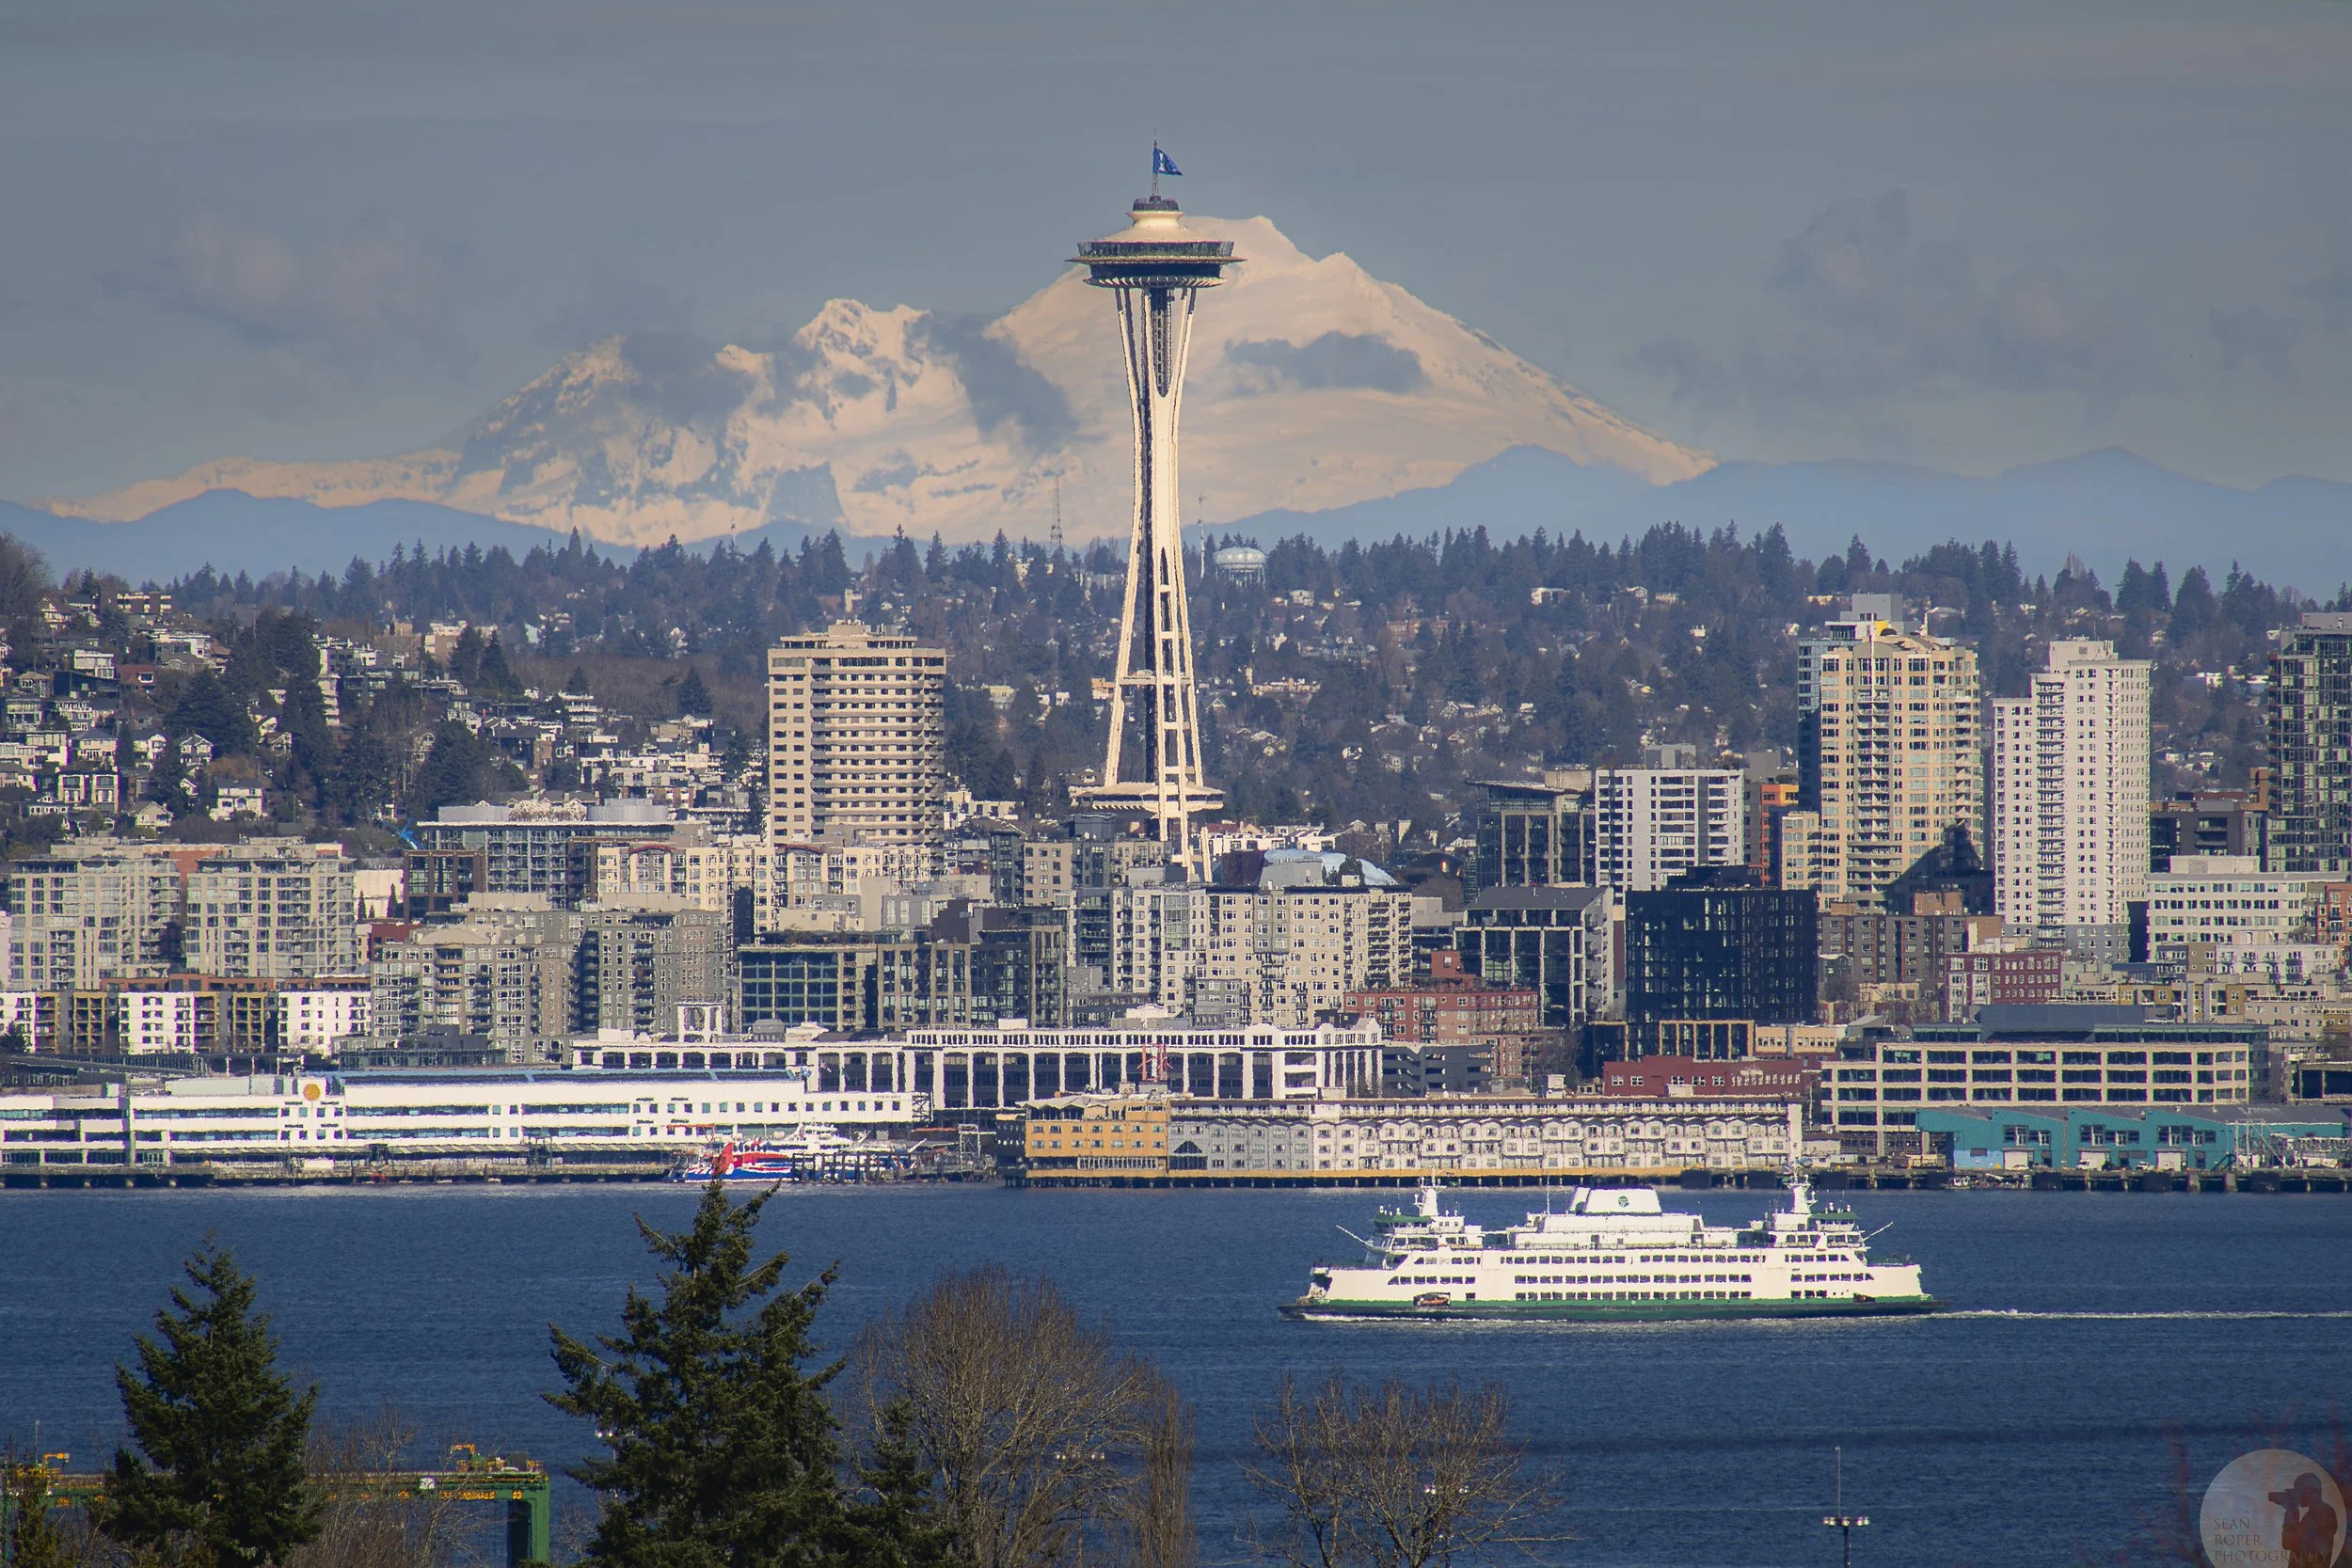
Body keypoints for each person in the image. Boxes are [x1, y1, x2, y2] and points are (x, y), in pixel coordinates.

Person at [2276, 1472, 2338, 1568]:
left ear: (2309, 1491)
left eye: (2298, 1491)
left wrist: (2292, 1512)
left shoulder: (2324, 1512)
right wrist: (2291, 1511)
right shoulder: (2310, 1515)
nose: (2297, 1495)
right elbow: (2288, 1543)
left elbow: (2297, 1545)